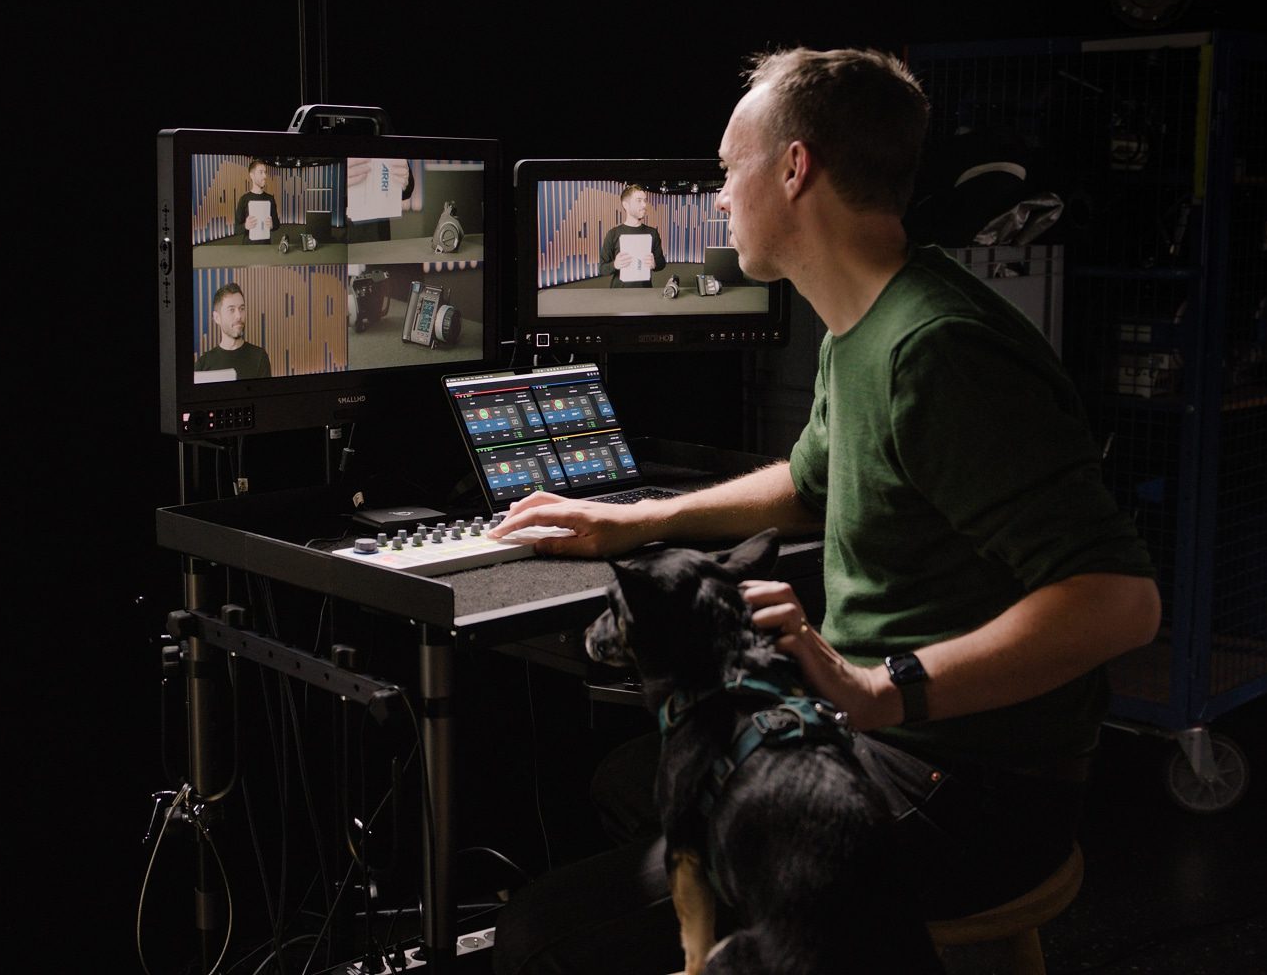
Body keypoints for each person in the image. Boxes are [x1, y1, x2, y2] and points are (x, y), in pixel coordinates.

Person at [489, 48, 1160, 974]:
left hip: (969, 788)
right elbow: (810, 483)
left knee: (541, 936)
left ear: (796, 168)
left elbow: (1120, 602)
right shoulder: (864, 324)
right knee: (628, 780)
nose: (719, 197)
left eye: (729, 170)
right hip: (907, 748)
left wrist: (882, 688)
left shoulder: (938, 352)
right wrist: (632, 524)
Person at [195, 282, 272, 379]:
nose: (239, 316)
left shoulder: (259, 357)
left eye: (242, 308)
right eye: (231, 310)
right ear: (217, 317)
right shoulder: (203, 364)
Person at [599, 183, 666, 287]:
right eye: (639, 200)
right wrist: (615, 265)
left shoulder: (653, 233)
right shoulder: (613, 234)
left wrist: (655, 264)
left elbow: (662, 263)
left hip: (645, 294)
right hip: (619, 294)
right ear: (626, 205)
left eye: (645, 200)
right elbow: (602, 269)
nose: (644, 204)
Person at [235, 160, 281, 244]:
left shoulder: (270, 199)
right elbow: (236, 229)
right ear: (252, 175)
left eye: (265, 172)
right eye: (261, 172)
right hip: (248, 248)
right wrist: (245, 226)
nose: (265, 176)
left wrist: (272, 225)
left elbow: (277, 224)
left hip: (266, 247)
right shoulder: (244, 199)